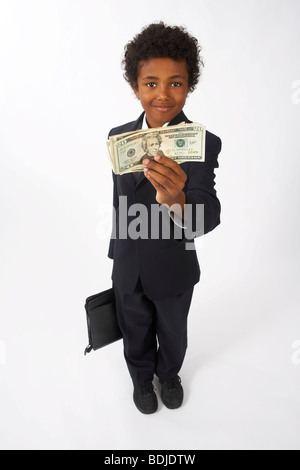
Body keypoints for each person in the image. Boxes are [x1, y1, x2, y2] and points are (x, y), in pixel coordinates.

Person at [107, 22, 222, 414]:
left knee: (173, 330)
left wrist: (177, 201)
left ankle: (168, 374)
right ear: (135, 86)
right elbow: (119, 200)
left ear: (189, 85)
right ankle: (141, 380)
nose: (162, 94)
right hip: (127, 260)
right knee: (134, 327)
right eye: (151, 83)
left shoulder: (201, 143)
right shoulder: (118, 136)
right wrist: (115, 250)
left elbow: (208, 212)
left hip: (173, 263)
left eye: (176, 83)